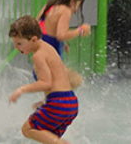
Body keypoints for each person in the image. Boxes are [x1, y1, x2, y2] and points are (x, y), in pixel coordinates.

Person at [8, 15, 79, 143]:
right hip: (70, 102)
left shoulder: (38, 56)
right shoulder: (48, 48)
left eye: (19, 43)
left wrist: (21, 89)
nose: (16, 47)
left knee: (27, 129)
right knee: (49, 137)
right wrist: (46, 100)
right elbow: (60, 78)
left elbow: (46, 83)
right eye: (14, 43)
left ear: (34, 39)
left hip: (58, 103)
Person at [37, 0, 91, 91]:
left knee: (54, 93)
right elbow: (61, 35)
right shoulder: (65, 10)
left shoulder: (48, 7)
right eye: (78, 5)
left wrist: (62, 44)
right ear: (72, 1)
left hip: (41, 61)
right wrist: (81, 30)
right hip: (52, 62)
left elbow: (37, 27)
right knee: (77, 81)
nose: (76, 10)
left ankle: (45, 105)